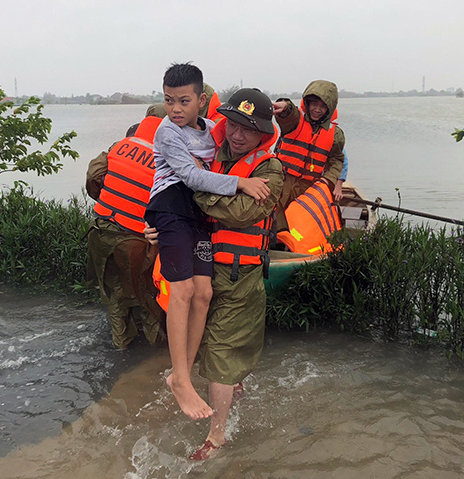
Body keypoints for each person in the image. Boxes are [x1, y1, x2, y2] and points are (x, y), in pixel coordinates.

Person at [144, 63, 271, 421]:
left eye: (184, 101)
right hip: (172, 208)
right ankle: (181, 379)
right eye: (169, 101)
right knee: (181, 291)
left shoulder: (213, 129)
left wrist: (282, 111)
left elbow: (246, 135)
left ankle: (181, 370)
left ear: (202, 100)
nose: (176, 109)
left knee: (203, 294)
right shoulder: (168, 132)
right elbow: (190, 176)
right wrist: (240, 184)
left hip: (197, 216)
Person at [86, 114, 166, 350]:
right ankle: (153, 355)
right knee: (148, 295)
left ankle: (121, 347)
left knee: (115, 294)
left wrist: (105, 197)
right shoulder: (168, 159)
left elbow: (93, 175)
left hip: (100, 231)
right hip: (136, 239)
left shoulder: (119, 148)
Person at [272, 80, 345, 231]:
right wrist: (285, 106)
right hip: (281, 181)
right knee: (274, 220)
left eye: (323, 106)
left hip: (309, 188)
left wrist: (328, 181)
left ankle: (293, 250)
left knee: (298, 226)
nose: (317, 109)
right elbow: (288, 114)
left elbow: (337, 160)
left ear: (330, 109)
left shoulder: (336, 134)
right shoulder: (295, 121)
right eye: (314, 104)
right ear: (307, 103)